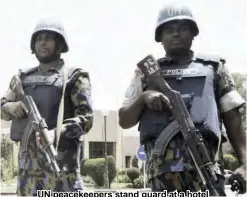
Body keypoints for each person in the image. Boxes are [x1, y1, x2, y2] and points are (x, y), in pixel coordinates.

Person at [118, 3, 246, 195]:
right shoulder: (146, 74)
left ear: (194, 33)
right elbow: (124, 120)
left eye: (183, 28)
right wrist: (144, 97)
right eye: (169, 29)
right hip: (162, 178)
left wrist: (245, 164)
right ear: (159, 37)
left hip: (206, 173)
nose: (176, 34)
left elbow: (233, 118)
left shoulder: (214, 68)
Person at [0, 19, 93, 196]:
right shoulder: (22, 78)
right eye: (39, 39)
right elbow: (2, 108)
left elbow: (86, 118)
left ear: (60, 44)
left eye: (49, 38)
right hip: (28, 176)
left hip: (63, 172)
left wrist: (57, 133)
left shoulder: (73, 77)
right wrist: (11, 107)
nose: (42, 42)